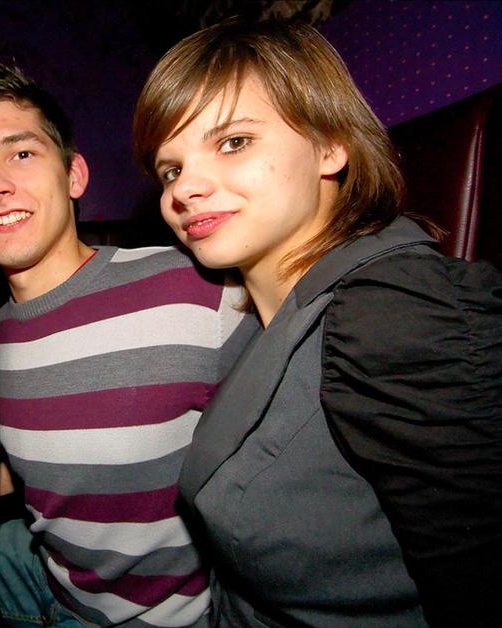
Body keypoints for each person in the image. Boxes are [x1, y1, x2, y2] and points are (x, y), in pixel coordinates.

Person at [132, 18, 502, 627]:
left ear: (330, 146)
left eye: (233, 142)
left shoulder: (394, 310)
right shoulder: (255, 312)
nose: (186, 188)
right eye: (170, 169)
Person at [0, 59, 254, 626]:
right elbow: (43, 473)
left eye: (21, 153)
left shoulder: (193, 289)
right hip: (43, 581)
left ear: (74, 175)